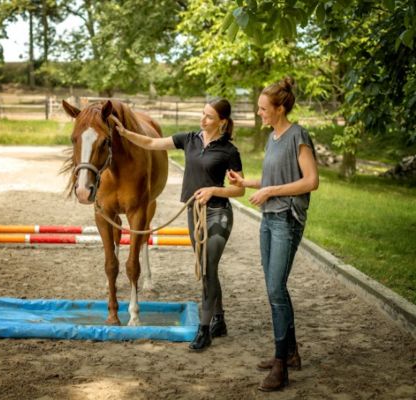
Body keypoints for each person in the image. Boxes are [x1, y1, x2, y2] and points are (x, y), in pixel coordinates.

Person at [113, 99, 245, 352]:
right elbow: (151, 143)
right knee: (210, 268)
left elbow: (238, 190)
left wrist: (214, 190)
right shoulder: (190, 139)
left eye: (209, 117)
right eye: (202, 114)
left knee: (207, 267)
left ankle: (204, 329)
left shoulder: (229, 151)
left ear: (222, 122)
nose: (203, 120)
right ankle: (220, 318)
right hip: (193, 214)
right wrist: (124, 132)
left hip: (218, 213)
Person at [227, 77, 319, 391]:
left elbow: (311, 181)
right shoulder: (274, 138)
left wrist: (271, 191)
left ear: (280, 108)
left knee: (276, 289)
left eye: (264, 109)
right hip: (268, 218)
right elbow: (270, 178)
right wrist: (245, 182)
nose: (260, 114)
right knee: (273, 288)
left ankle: (282, 365)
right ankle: (290, 352)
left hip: (286, 219)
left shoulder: (298, 136)